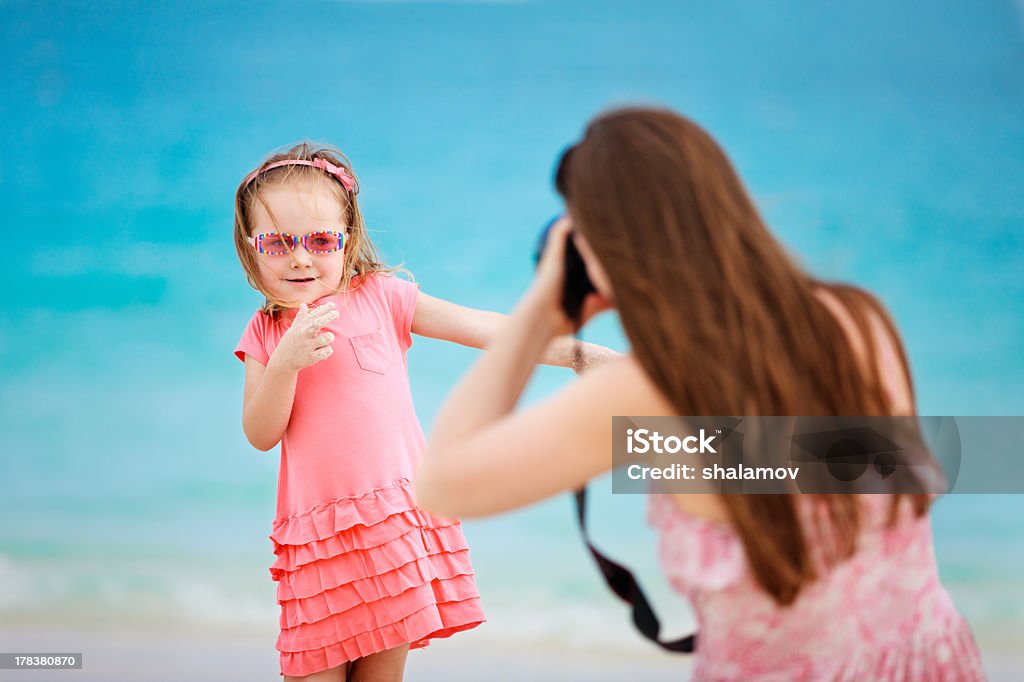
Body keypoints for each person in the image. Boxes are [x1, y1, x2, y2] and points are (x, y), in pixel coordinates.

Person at [416, 108, 986, 681]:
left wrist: (543, 307)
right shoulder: (859, 322)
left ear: (603, 250)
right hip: (929, 662)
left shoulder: (649, 396)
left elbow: (442, 482)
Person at [232, 143, 614, 681]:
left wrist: (582, 355)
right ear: (252, 251)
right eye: (277, 243)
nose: (300, 258)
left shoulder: (385, 298)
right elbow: (260, 433)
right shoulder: (266, 332)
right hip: (318, 543)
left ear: (349, 238)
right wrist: (285, 365)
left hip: (394, 527)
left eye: (320, 240)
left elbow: (487, 330)